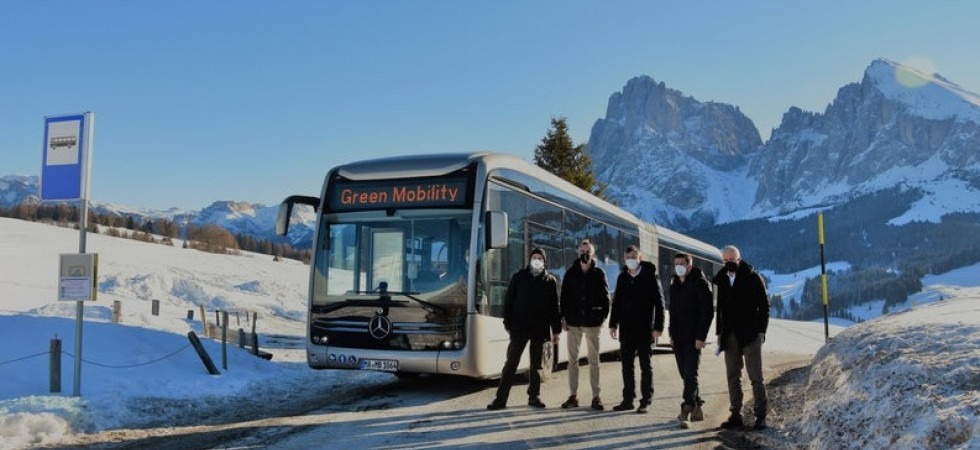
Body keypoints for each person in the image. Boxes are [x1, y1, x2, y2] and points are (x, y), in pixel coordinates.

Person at [487, 248, 561, 410]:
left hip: (539, 328)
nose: (537, 260)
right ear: (529, 260)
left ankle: (534, 396)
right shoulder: (519, 277)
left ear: (544, 261)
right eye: (534, 257)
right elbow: (508, 301)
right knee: (511, 363)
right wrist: (508, 324)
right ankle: (500, 399)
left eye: (540, 258)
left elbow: (554, 307)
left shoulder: (549, 281)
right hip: (520, 327)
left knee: (536, 365)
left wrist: (556, 330)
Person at [712, 245, 770, 430]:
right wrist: (719, 333)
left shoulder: (753, 277)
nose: (729, 263)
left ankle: (760, 416)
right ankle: (735, 414)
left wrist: (761, 332)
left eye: (732, 259)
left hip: (751, 335)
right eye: (725, 260)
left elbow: (764, 306)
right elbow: (720, 309)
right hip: (730, 335)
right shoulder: (722, 279)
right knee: (732, 376)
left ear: (739, 259)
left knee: (756, 377)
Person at [608, 246, 664, 414]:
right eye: (627, 257)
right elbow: (617, 302)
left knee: (645, 366)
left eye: (633, 256)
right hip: (626, 329)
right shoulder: (623, 277)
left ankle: (645, 400)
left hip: (645, 329)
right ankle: (628, 400)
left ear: (640, 258)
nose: (630, 260)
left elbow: (659, 303)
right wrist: (613, 324)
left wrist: (658, 327)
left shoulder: (650, 276)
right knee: (627, 366)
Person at [559, 239, 611, 411]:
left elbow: (606, 298)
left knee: (594, 360)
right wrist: (564, 317)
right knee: (572, 361)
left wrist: (602, 318)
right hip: (573, 323)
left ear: (593, 254)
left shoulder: (599, 273)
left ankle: (596, 397)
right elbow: (564, 297)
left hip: (592, 323)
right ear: (577, 252)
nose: (584, 254)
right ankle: (573, 396)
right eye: (582, 251)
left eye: (587, 251)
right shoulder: (570, 273)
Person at [668, 252, 714, 424]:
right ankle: (697, 408)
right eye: (676, 263)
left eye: (681, 263)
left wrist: (701, 336)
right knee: (685, 373)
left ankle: (686, 408)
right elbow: (672, 312)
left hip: (694, 337)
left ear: (689, 266)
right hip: (678, 337)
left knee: (690, 373)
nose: (678, 266)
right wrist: (671, 334)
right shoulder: (675, 284)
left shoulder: (700, 283)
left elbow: (707, 312)